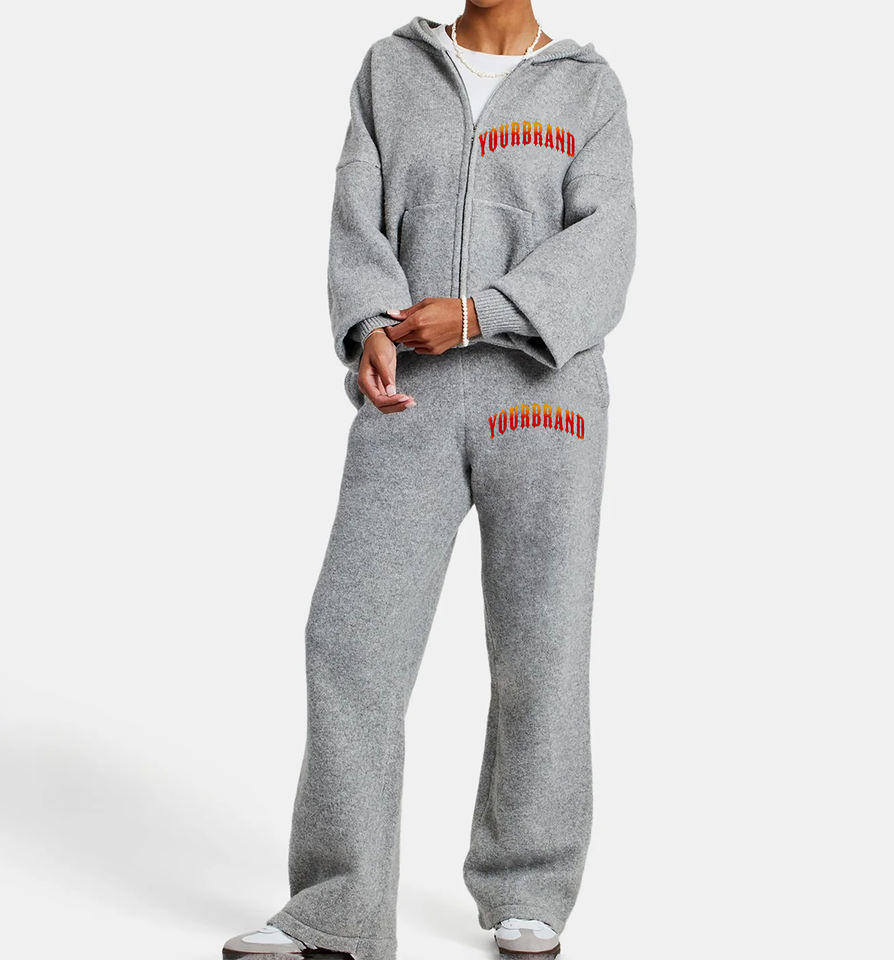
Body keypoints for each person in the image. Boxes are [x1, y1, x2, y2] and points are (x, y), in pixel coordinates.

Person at [223, 4, 635, 959]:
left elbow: (605, 249)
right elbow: (355, 216)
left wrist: (482, 313)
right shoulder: (391, 68)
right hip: (408, 395)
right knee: (350, 642)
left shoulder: (588, 88)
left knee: (540, 643)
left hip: (545, 400)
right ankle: (337, 909)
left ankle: (529, 890)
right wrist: (369, 320)